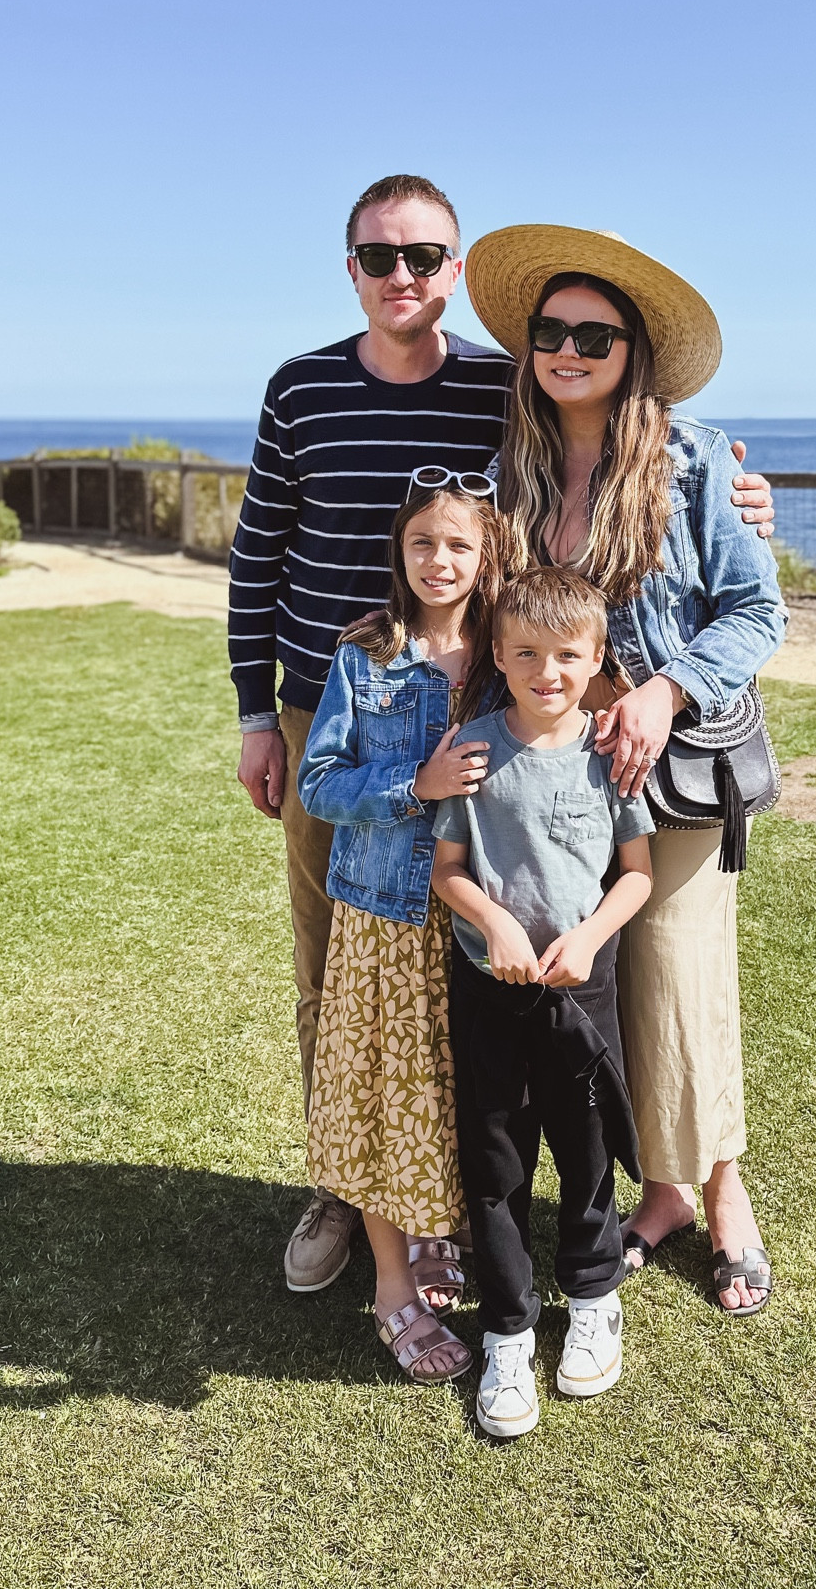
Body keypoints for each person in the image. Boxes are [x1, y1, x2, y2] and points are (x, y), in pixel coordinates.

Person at [228, 176, 777, 1294]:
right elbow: (258, 553)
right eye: (380, 259)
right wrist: (256, 708)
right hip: (387, 714)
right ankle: (357, 1184)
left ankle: (678, 1189)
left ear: (455, 268)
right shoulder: (376, 405)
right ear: (352, 269)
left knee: (609, 965)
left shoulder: (590, 422)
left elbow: (730, 572)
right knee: (367, 965)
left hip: (573, 737)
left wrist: (737, 514)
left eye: (423, 258)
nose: (402, 278)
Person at [465, 224, 787, 1316]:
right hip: (558, 777)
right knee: (596, 985)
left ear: (631, 347)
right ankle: (662, 1194)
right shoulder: (513, 463)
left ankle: (725, 1190)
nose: (567, 347)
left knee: (684, 975)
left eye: (591, 332)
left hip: (671, 759)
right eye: (550, 330)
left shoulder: (697, 457)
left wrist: (663, 688)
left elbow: (759, 609)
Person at [432, 566, 654, 1439]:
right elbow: (448, 872)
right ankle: (508, 1329)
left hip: (583, 986)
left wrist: (591, 937)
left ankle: (594, 1295)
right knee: (497, 1162)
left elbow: (634, 879)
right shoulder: (474, 747)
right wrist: (493, 923)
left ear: (597, 658)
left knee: (590, 1147)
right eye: (526, 652)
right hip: (489, 988)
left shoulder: (609, 758)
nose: (547, 671)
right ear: (498, 652)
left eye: (568, 655)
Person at [297, 476, 508, 1382]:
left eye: (458, 545)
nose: (440, 561)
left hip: (475, 918)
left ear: (487, 556)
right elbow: (317, 785)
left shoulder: (507, 655)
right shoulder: (364, 656)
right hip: (384, 920)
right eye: (423, 543)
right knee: (381, 1101)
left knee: (457, 1095)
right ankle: (391, 1287)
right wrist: (408, 790)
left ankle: (435, 1236)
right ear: (401, 551)